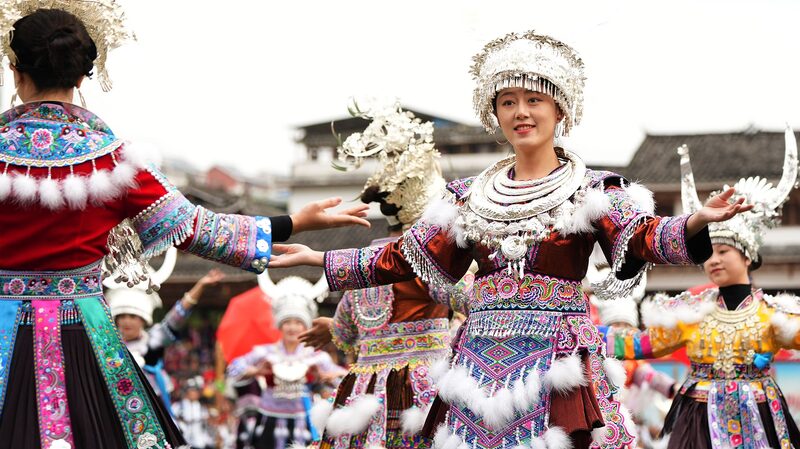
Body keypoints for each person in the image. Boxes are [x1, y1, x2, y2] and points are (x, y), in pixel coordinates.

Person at [269, 30, 753, 449]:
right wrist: (321, 256)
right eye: (508, 102)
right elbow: (405, 256)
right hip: (477, 362)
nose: (521, 112)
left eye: (534, 99)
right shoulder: (467, 198)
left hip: (558, 360)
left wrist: (694, 221)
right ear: (494, 113)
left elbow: (644, 237)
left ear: (559, 107)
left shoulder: (593, 190)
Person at [0, 4, 368, 448]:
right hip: (84, 334)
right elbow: (201, 229)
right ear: (81, 77)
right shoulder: (113, 161)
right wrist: (294, 222)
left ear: (15, 70)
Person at [602, 135, 800, 449]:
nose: (714, 260)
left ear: (747, 255)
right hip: (699, 420)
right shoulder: (692, 312)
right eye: (709, 254)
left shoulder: (773, 314)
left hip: (759, 416)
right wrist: (579, 331)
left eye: (723, 251)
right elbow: (642, 345)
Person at [298, 102, 473, 449]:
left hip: (364, 394)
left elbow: (348, 332)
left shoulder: (364, 261)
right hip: (419, 391)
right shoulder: (423, 257)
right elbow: (471, 300)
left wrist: (331, 328)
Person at [226, 271, 348, 449]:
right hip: (269, 420)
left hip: (303, 420)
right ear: (279, 324)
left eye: (298, 322)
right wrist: (257, 371)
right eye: (287, 322)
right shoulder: (265, 353)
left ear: (305, 325)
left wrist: (328, 376)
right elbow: (232, 369)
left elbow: (345, 381)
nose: (292, 327)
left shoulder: (317, 357)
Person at [106, 247, 225, 406]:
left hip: (154, 404)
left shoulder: (153, 340)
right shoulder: (108, 345)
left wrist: (201, 285)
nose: (127, 321)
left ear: (143, 320)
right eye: (123, 316)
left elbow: (177, 316)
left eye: (133, 316)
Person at [588, 267, 676, 448]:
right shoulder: (593, 352)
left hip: (624, 418)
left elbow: (647, 375)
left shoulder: (633, 361)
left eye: (625, 326)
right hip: (596, 418)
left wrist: (671, 388)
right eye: (616, 325)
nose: (620, 331)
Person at [172, 377, 214, 449]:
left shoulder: (202, 407)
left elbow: (207, 426)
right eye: (193, 390)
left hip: (200, 444)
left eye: (197, 390)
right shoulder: (177, 407)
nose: (196, 393)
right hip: (183, 443)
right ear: (187, 391)